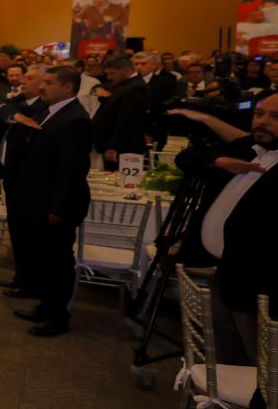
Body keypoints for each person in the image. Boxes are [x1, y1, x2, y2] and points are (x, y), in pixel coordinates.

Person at [169, 96, 278, 363]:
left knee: (260, 363)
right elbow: (186, 157)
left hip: (258, 283)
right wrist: (219, 162)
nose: (263, 121)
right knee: (223, 354)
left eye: (275, 117)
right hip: (223, 273)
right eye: (259, 114)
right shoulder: (247, 148)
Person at [10, 67, 93, 337]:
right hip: (38, 199)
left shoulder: (75, 119)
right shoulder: (50, 111)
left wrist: (58, 208)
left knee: (58, 262)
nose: (42, 87)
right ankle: (45, 306)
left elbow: (72, 170)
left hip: (56, 205)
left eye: (48, 82)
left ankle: (57, 317)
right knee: (44, 259)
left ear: (67, 87)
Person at [92, 55, 150, 170]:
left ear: (126, 71)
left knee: (119, 179)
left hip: (124, 148)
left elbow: (127, 121)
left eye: (112, 73)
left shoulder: (136, 89)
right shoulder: (124, 85)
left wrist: (114, 147)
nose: (109, 77)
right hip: (114, 145)